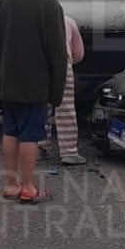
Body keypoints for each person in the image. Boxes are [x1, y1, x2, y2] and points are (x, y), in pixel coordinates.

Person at [0, 0, 67, 204]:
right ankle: (29, 187)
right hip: (35, 85)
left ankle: (11, 185)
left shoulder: (0, 2)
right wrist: (57, 91)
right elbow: (57, 53)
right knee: (31, 136)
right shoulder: (47, 4)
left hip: (6, 84)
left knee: (10, 132)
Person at [42, 15, 87, 165]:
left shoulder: (35, 20)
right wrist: (68, 63)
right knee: (66, 108)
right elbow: (79, 54)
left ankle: (40, 147)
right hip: (62, 64)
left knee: (41, 107)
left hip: (40, 65)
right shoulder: (68, 21)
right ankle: (69, 153)